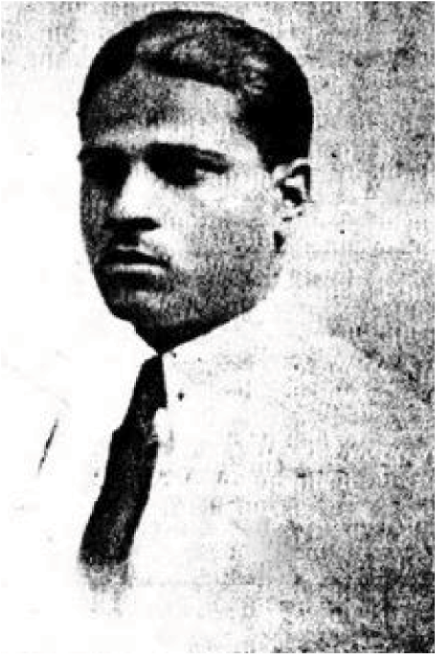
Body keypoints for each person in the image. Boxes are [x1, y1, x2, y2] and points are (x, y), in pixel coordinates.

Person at [30, 9, 434, 654]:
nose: (127, 207)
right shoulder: (67, 421)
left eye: (183, 169)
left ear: (288, 199)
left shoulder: (376, 456)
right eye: (104, 171)